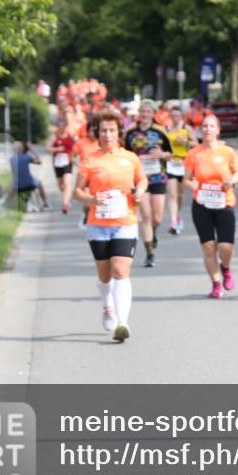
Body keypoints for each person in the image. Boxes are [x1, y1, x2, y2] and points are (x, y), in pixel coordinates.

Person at [73, 110, 148, 342]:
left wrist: (140, 191)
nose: (107, 135)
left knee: (120, 271)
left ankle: (122, 323)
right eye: (103, 130)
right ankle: (107, 306)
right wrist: (91, 200)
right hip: (98, 225)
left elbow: (142, 180)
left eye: (112, 130)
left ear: (119, 133)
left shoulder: (130, 158)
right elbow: (77, 191)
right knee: (105, 275)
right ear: (98, 133)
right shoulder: (90, 160)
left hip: (125, 222)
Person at [183, 115, 238, 298]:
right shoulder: (194, 153)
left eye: (211, 126)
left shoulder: (227, 152)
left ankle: (225, 268)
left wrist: (231, 181)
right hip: (201, 204)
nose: (207, 129)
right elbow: (186, 179)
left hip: (224, 203)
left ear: (218, 130)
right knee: (208, 246)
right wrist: (189, 184)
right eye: (205, 126)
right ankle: (216, 283)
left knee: (225, 247)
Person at [124, 100, 173, 267]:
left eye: (148, 112)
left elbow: (173, 154)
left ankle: (153, 233)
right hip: (139, 180)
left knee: (157, 217)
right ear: (139, 113)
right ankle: (149, 252)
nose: (145, 115)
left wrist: (162, 154)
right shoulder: (130, 132)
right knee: (145, 215)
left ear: (153, 114)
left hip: (158, 177)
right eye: (142, 111)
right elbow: (124, 154)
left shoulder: (161, 131)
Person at [164, 106, 197, 235]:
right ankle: (173, 221)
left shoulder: (186, 129)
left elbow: (195, 143)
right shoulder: (166, 129)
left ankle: (177, 215)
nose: (175, 118)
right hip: (171, 163)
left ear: (181, 117)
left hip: (184, 163)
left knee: (180, 194)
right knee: (171, 194)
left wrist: (185, 141)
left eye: (178, 115)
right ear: (170, 116)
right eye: (173, 115)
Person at [71, 120, 101, 228]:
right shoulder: (81, 142)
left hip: (99, 175)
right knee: (88, 202)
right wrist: (77, 163)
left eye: (95, 131)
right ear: (87, 131)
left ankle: (96, 220)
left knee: (98, 200)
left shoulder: (101, 142)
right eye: (90, 131)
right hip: (86, 175)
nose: (92, 133)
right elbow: (73, 155)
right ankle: (86, 213)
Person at [48, 119, 77, 214]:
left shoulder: (70, 136)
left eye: (63, 126)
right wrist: (56, 149)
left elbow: (76, 148)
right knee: (61, 186)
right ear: (57, 127)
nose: (61, 128)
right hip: (57, 163)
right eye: (59, 126)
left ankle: (65, 204)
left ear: (66, 126)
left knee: (67, 183)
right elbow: (47, 148)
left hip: (67, 162)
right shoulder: (54, 136)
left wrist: (74, 157)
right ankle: (67, 197)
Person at [9, 141, 49, 208]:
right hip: (29, 184)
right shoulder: (26, 157)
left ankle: (9, 203)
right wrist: (31, 150)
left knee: (12, 184)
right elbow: (39, 162)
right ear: (22, 148)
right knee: (39, 183)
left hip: (17, 186)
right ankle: (45, 202)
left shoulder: (12, 159)